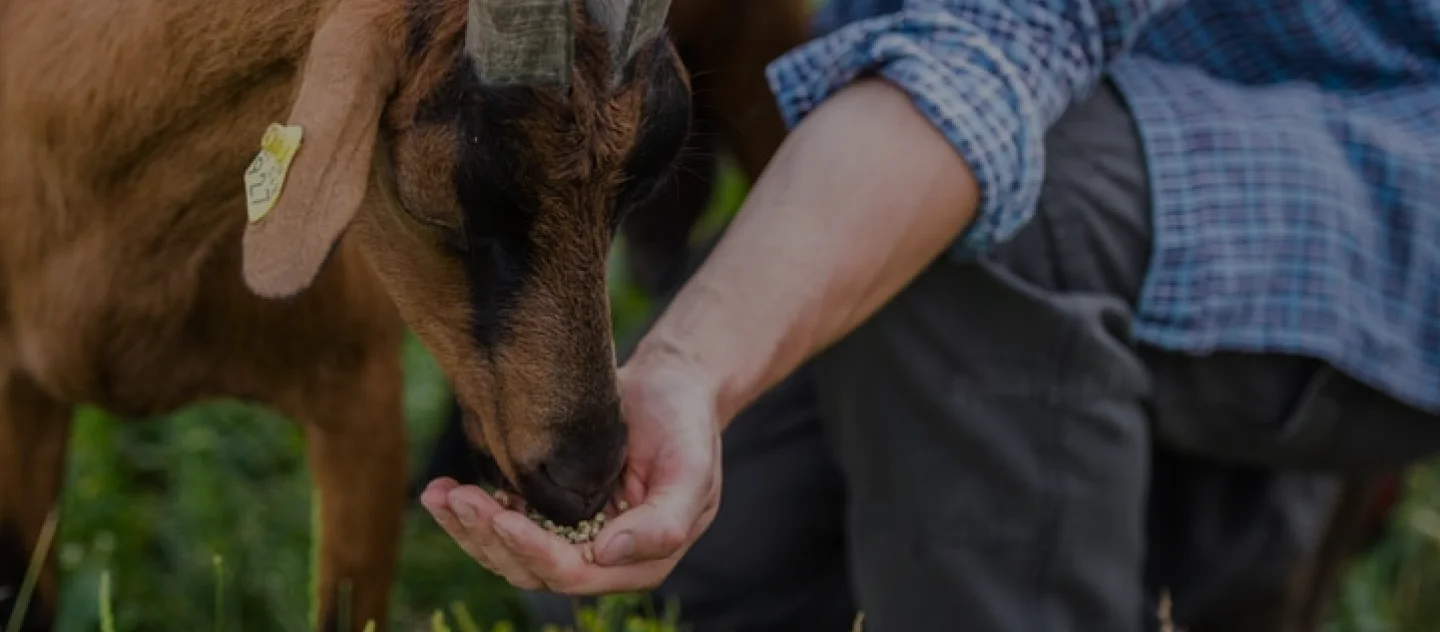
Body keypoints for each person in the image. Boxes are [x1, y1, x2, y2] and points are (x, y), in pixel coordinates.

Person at [419, 1, 1440, 630]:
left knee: (987, 226)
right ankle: (1199, 519)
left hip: (1381, 142)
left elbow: (989, 59)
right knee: (631, 572)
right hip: (1094, 117)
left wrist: (694, 363)